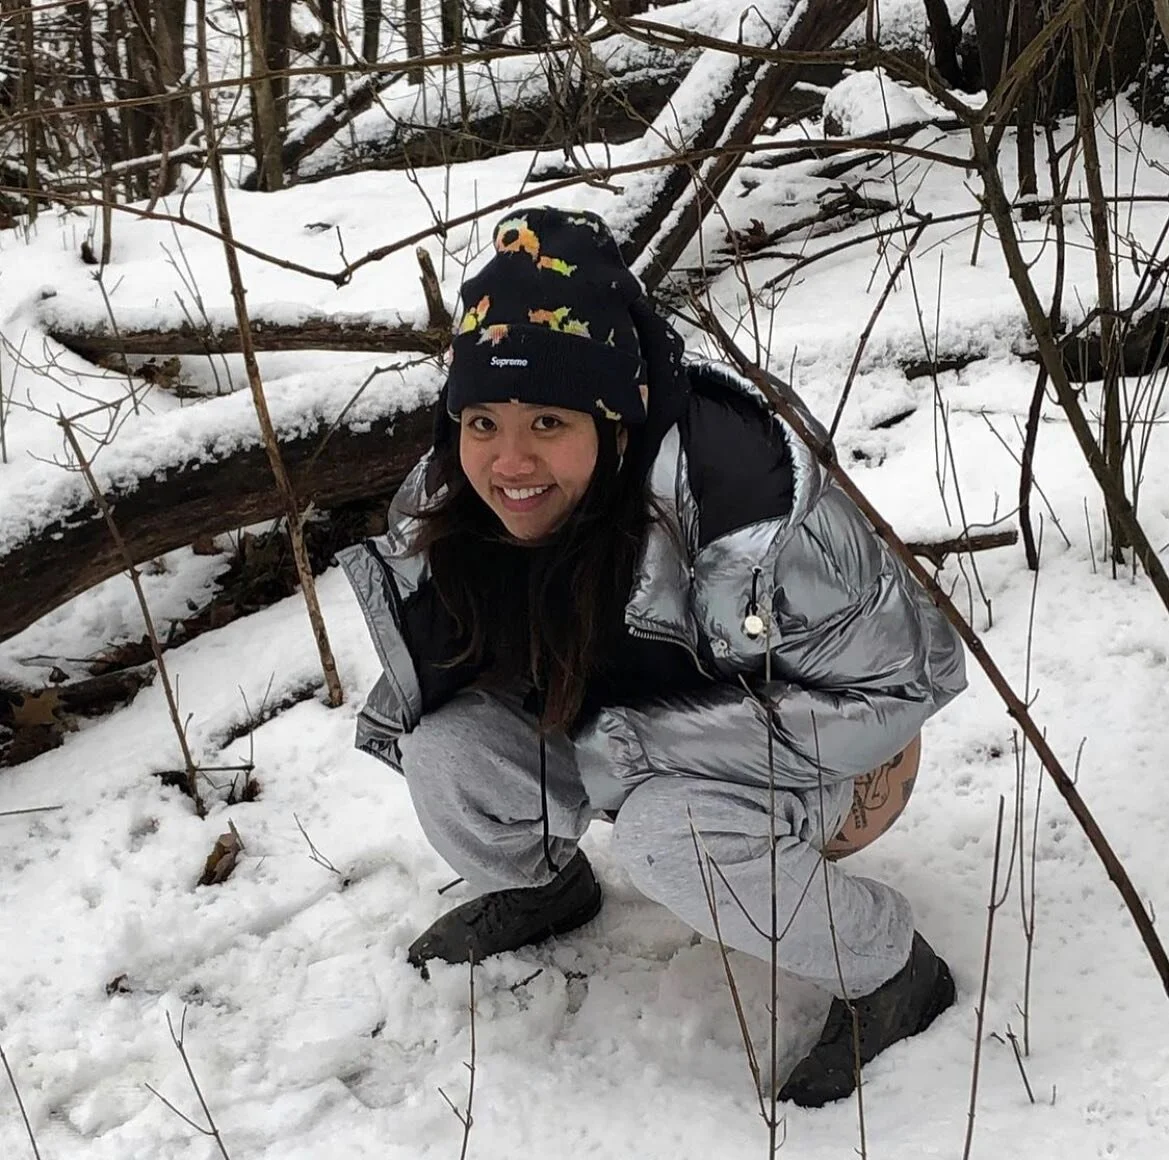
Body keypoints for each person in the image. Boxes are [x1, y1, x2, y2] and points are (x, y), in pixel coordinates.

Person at [338, 207, 967, 1107]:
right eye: (482, 420)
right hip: (619, 733)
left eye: (548, 421)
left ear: (616, 419)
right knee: (446, 751)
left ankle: (890, 967)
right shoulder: (453, 499)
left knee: (671, 834)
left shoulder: (748, 504)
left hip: (838, 756)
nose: (508, 460)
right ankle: (547, 891)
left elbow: (907, 680)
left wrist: (635, 750)